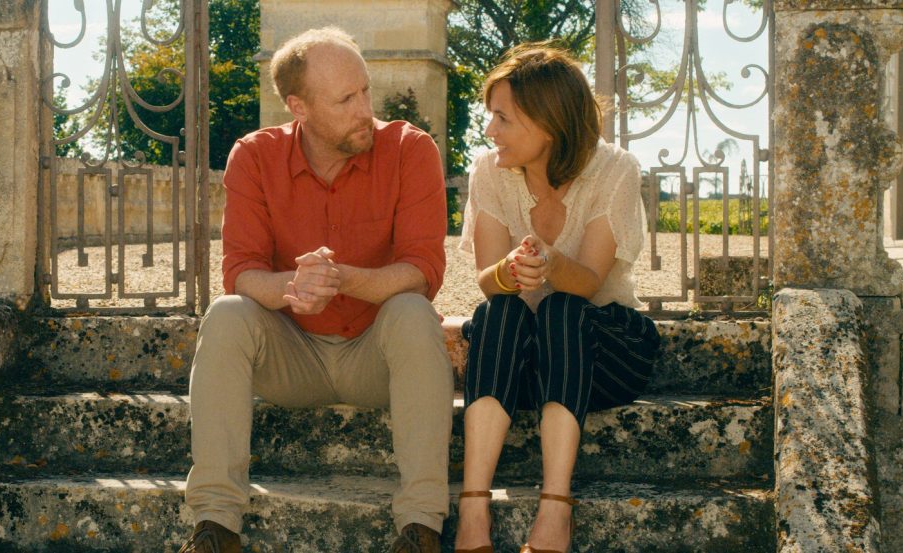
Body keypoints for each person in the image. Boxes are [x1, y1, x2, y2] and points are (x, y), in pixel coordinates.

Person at [177, 27, 453, 553]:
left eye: (366, 91)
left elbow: (423, 269)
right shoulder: (254, 156)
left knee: (414, 311)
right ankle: (215, 526)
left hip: (377, 356)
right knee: (228, 313)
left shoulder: (410, 148)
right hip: (293, 357)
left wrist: (343, 278)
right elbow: (241, 272)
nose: (365, 110)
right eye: (346, 99)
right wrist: (292, 286)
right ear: (298, 107)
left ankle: (421, 527)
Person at [453, 44, 662, 553]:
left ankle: (555, 508)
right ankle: (473, 508)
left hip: (601, 355)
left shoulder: (615, 168)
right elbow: (487, 281)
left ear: (548, 122)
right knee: (500, 308)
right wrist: (509, 271)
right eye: (490, 115)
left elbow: (587, 283)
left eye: (503, 118)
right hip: (519, 364)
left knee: (562, 306)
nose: (490, 130)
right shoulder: (488, 170)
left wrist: (548, 262)